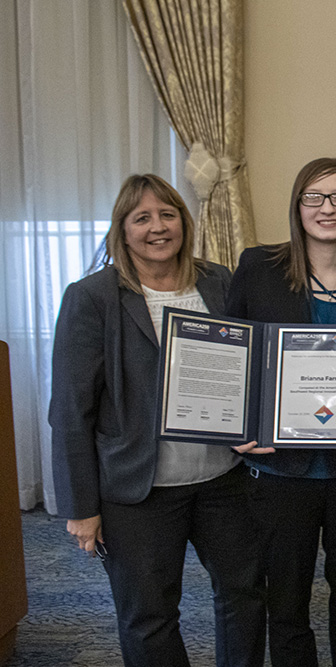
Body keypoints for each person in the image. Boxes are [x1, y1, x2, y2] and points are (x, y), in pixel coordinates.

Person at [49, 174, 266, 667]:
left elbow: (251, 367)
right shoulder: (93, 297)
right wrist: (80, 506)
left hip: (223, 480)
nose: (157, 227)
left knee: (246, 595)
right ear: (122, 231)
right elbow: (70, 409)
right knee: (149, 615)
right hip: (138, 490)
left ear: (183, 223)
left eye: (167, 214)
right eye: (141, 217)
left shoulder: (219, 281)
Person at [224, 157, 336, 667]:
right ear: (297, 208)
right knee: (287, 604)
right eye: (315, 197)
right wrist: (236, 428)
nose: (328, 208)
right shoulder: (259, 269)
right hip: (280, 472)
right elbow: (235, 359)